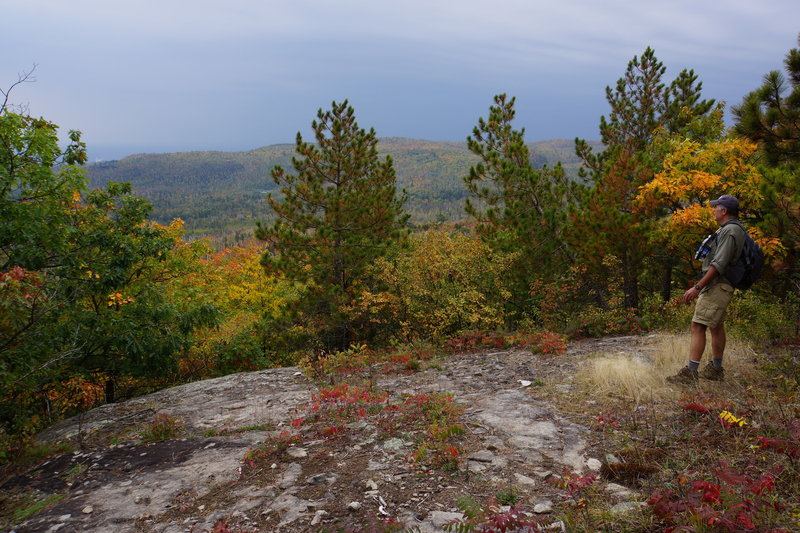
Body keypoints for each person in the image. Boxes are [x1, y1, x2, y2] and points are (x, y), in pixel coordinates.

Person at [667, 194, 746, 384]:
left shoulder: (730, 231)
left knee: (698, 325)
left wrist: (697, 287)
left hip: (718, 284)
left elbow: (719, 264)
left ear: (724, 211)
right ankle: (715, 369)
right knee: (716, 325)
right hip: (721, 284)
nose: (713, 210)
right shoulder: (730, 230)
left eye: (716, 207)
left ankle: (690, 373)